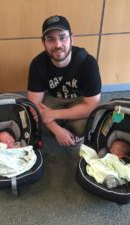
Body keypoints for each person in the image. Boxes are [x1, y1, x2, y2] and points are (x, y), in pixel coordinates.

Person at [27, 15, 102, 146]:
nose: (57, 45)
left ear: (71, 38)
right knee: (37, 124)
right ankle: (65, 126)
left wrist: (52, 114)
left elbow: (91, 106)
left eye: (62, 37)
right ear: (43, 42)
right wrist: (57, 130)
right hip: (53, 98)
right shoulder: (37, 64)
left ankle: (69, 124)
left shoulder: (88, 63)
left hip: (80, 100)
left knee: (84, 126)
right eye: (50, 39)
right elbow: (34, 105)